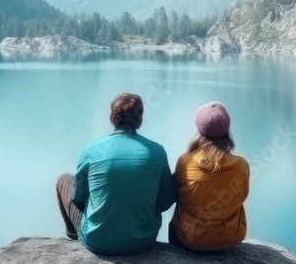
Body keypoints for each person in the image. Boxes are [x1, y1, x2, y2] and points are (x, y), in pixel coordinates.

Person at [56, 92, 176, 255]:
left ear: (112, 118)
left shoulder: (91, 150)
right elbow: (164, 202)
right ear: (139, 119)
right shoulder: (157, 151)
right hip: (142, 240)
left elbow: (78, 199)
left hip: (97, 240)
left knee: (63, 180)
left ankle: (74, 235)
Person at [169, 101, 250, 252]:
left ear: (198, 130)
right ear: (227, 130)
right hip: (230, 239)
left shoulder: (184, 162)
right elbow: (242, 196)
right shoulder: (241, 165)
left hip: (189, 239)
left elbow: (177, 195)